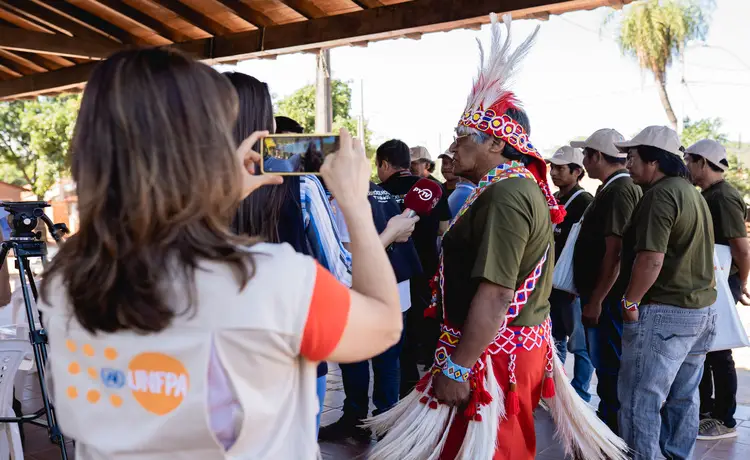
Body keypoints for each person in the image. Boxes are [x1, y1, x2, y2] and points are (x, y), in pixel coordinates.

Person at [37, 48, 403, 459]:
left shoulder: (66, 281)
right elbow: (384, 323)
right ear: (202, 153)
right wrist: (354, 203)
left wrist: (216, 197)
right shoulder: (270, 279)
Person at [367, 14, 627, 460]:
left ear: (495, 143)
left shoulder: (507, 195)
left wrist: (457, 366)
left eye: (464, 136)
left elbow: (497, 293)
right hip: (494, 351)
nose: (453, 147)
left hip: (492, 358)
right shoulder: (502, 188)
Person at [224, 75, 351, 437]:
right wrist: (385, 233)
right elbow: (340, 277)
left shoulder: (182, 184)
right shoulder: (300, 181)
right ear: (266, 123)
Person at [616, 126, 717, 460]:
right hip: (697, 313)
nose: (627, 164)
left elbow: (651, 258)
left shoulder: (660, 195)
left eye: (632, 158)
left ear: (654, 162)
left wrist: (630, 301)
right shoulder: (690, 193)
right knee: (683, 398)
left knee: (640, 399)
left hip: (664, 311)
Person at [320, 183, 422, 442]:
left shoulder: (346, 198)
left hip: (365, 293)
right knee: (388, 363)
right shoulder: (383, 192)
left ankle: (355, 419)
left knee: (355, 359)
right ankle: (383, 420)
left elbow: (349, 260)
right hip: (396, 291)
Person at [570, 128, 642, 432]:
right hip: (599, 295)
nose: (584, 161)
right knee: (606, 364)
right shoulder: (610, 188)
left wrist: (597, 299)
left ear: (597, 156)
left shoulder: (620, 190)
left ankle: (612, 428)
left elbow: (615, 252)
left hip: (608, 298)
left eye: (586, 155)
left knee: (610, 367)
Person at [684, 139, 750, 440]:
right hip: (711, 280)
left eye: (690, 160)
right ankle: (706, 411)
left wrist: (740, 282)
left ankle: (725, 419)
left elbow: (742, 248)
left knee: (719, 351)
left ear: (703, 162)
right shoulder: (707, 194)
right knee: (706, 350)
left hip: (723, 280)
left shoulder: (723, 197)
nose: (687, 167)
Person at [376, 139, 452, 396]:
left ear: (384, 164)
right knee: (424, 330)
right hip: (427, 270)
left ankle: (397, 395)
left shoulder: (376, 192)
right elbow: (444, 231)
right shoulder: (435, 188)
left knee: (395, 340)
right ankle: (424, 389)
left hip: (391, 273)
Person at [547, 146, 594, 402]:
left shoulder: (585, 202)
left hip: (571, 285)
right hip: (552, 284)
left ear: (577, 172)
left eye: (560, 168)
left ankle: (580, 395)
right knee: (555, 339)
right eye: (552, 167)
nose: (553, 172)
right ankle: (557, 390)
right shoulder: (554, 197)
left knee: (580, 344)